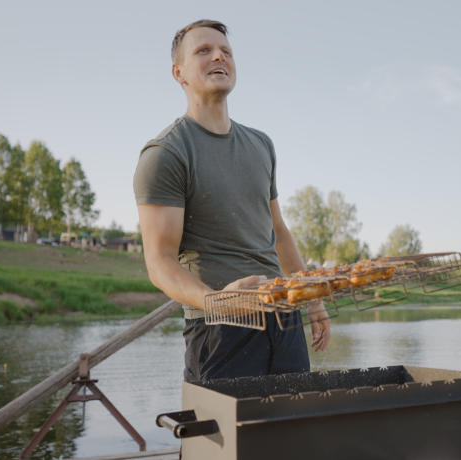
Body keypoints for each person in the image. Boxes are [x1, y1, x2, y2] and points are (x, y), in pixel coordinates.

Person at [133, 19, 330, 383]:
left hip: (284, 318)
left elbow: (279, 233)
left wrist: (312, 297)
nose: (218, 56)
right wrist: (216, 302)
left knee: (292, 436)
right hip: (221, 328)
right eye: (203, 51)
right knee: (222, 439)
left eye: (225, 51)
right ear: (179, 73)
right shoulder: (166, 154)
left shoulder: (261, 145)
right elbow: (158, 261)